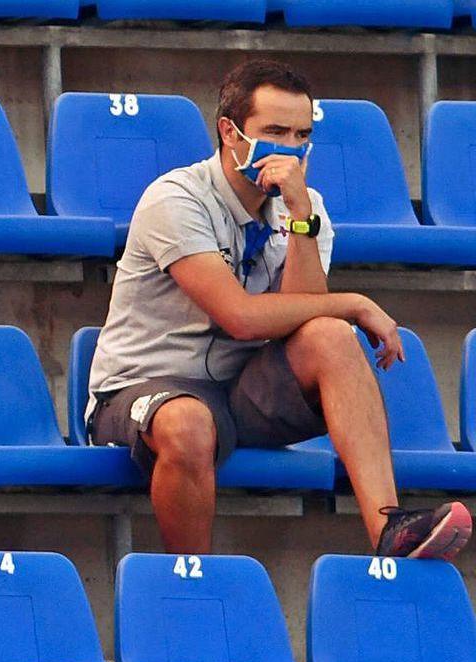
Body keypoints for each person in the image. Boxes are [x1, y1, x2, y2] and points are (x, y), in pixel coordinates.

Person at [87, 59, 471, 559]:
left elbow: (307, 312)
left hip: (238, 392)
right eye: (274, 132)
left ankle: (389, 528)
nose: (289, 148)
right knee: (187, 424)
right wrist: (356, 302)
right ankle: (193, 577)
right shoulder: (176, 199)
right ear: (230, 132)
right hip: (143, 387)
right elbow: (240, 318)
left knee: (330, 336)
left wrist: (300, 219)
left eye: (300, 134)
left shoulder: (305, 207)